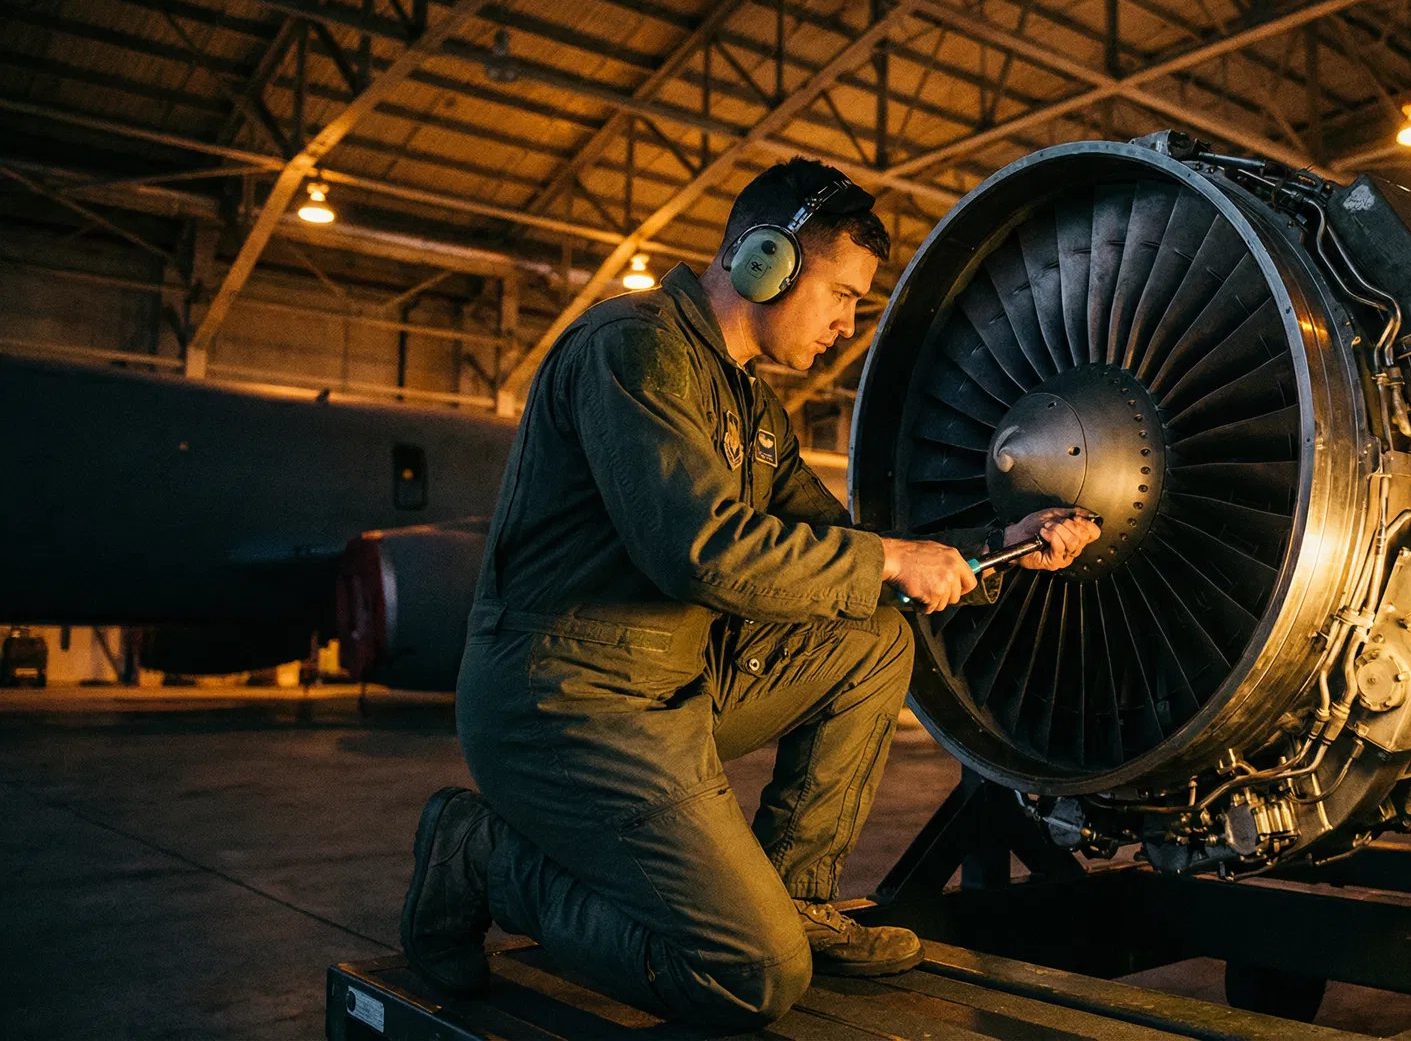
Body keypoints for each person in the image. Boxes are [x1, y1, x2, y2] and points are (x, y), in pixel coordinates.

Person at [398, 158, 1099, 1029]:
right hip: (561, 703)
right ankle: (482, 856)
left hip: (669, 692)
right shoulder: (631, 348)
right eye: (841, 296)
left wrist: (997, 546)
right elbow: (699, 552)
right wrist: (889, 561)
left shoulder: (750, 408)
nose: (848, 326)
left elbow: (838, 547)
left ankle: (798, 892)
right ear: (763, 262)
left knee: (876, 634)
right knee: (748, 975)